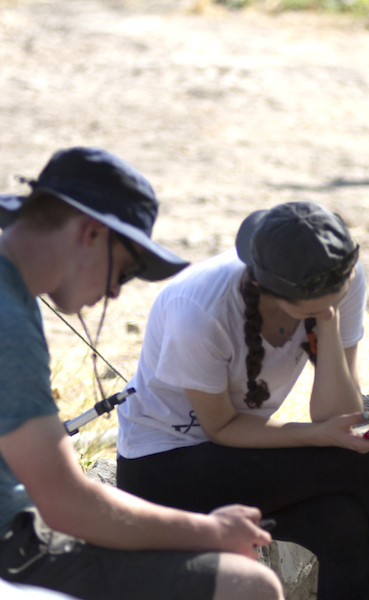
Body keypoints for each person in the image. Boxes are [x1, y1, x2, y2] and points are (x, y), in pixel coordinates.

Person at [115, 200, 369, 600]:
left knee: (343, 522)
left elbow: (338, 412)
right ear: (263, 287)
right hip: (163, 467)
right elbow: (220, 428)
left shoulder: (342, 280)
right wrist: (320, 435)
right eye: (323, 295)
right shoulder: (199, 310)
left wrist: (327, 323)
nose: (340, 290)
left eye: (340, 281)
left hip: (237, 458)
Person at [0, 147, 284, 600]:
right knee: (248, 585)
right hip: (13, 548)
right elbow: (65, 504)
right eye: (128, 270)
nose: (115, 290)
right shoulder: (9, 322)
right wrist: (211, 530)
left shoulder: (13, 293)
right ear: (92, 233)